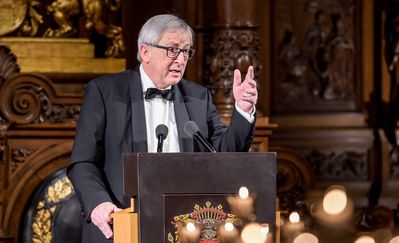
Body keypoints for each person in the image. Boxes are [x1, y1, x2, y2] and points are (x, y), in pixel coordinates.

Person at [67, 14, 258, 242]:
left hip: (186, 228)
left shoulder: (198, 97)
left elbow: (224, 154)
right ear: (145, 51)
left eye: (186, 51)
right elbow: (83, 162)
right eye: (173, 49)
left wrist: (243, 110)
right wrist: (98, 202)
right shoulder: (105, 92)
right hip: (120, 225)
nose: (181, 59)